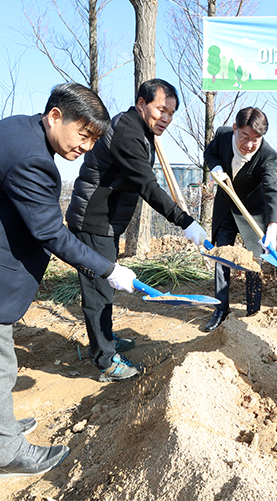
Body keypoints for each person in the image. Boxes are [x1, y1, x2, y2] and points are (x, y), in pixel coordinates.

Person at [0, 83, 138, 478]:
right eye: (83, 135)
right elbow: (51, 232)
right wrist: (109, 269)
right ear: (55, 116)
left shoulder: (20, 131)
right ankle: (9, 454)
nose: (85, 147)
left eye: (92, 139)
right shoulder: (31, 157)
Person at [65, 79, 207, 382]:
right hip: (93, 221)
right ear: (142, 103)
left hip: (106, 222)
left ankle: (105, 339)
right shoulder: (128, 133)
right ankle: (105, 360)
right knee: (97, 291)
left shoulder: (138, 129)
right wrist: (185, 221)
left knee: (103, 288)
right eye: (161, 110)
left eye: (171, 113)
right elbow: (147, 185)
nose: (166, 118)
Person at [203, 107, 277, 332]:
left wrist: (272, 228)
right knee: (222, 257)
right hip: (226, 206)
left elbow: (272, 190)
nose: (249, 145)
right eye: (245, 137)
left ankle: (253, 313)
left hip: (253, 212)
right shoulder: (222, 135)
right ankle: (220, 309)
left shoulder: (267, 154)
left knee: (253, 264)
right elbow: (209, 153)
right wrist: (216, 167)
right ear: (235, 129)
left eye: (255, 140)